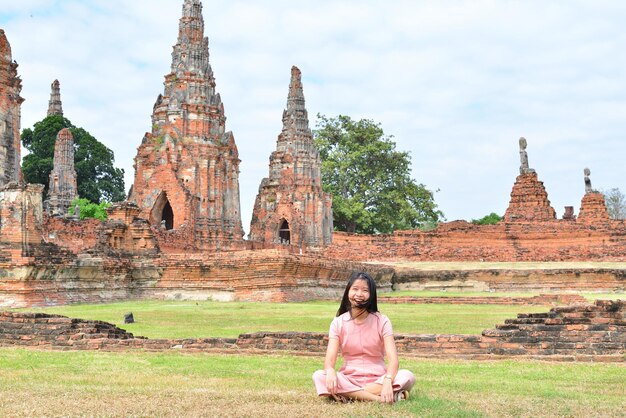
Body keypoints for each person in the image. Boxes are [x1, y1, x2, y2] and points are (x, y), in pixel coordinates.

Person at [312, 272, 416, 403]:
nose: (359, 294)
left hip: (379, 378)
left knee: (407, 376)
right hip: (349, 378)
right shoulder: (338, 322)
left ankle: (350, 395)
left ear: (371, 295)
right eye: (355, 289)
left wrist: (388, 380)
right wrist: (331, 371)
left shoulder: (382, 321)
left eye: (365, 290)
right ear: (348, 292)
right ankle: (379, 398)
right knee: (319, 376)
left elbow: (393, 360)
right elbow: (329, 361)